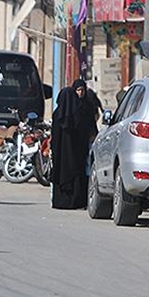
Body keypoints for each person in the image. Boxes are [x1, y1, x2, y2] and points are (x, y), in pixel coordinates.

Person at [50, 79, 98, 210]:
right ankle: (76, 201)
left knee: (62, 173)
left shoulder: (57, 115)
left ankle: (60, 201)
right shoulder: (77, 114)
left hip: (61, 155)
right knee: (77, 173)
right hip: (76, 153)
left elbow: (54, 137)